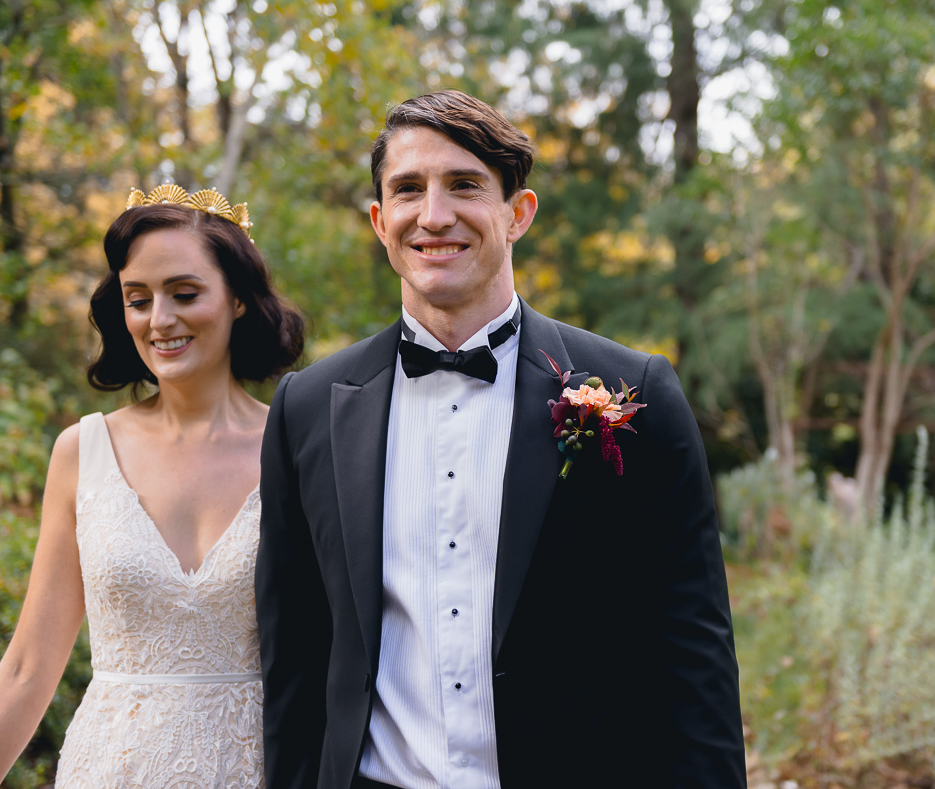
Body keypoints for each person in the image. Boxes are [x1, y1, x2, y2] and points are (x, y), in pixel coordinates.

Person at [256, 89, 746, 789]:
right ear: (379, 220)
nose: (434, 215)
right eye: (408, 190)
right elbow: (295, 657)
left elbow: (693, 649)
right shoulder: (306, 409)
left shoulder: (636, 392)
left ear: (517, 213)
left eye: (464, 185)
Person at [0, 185, 304, 787]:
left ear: (238, 299)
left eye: (184, 294)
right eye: (138, 300)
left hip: (253, 771)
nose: (159, 320)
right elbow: (29, 667)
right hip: (110, 769)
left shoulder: (298, 450)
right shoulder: (82, 452)